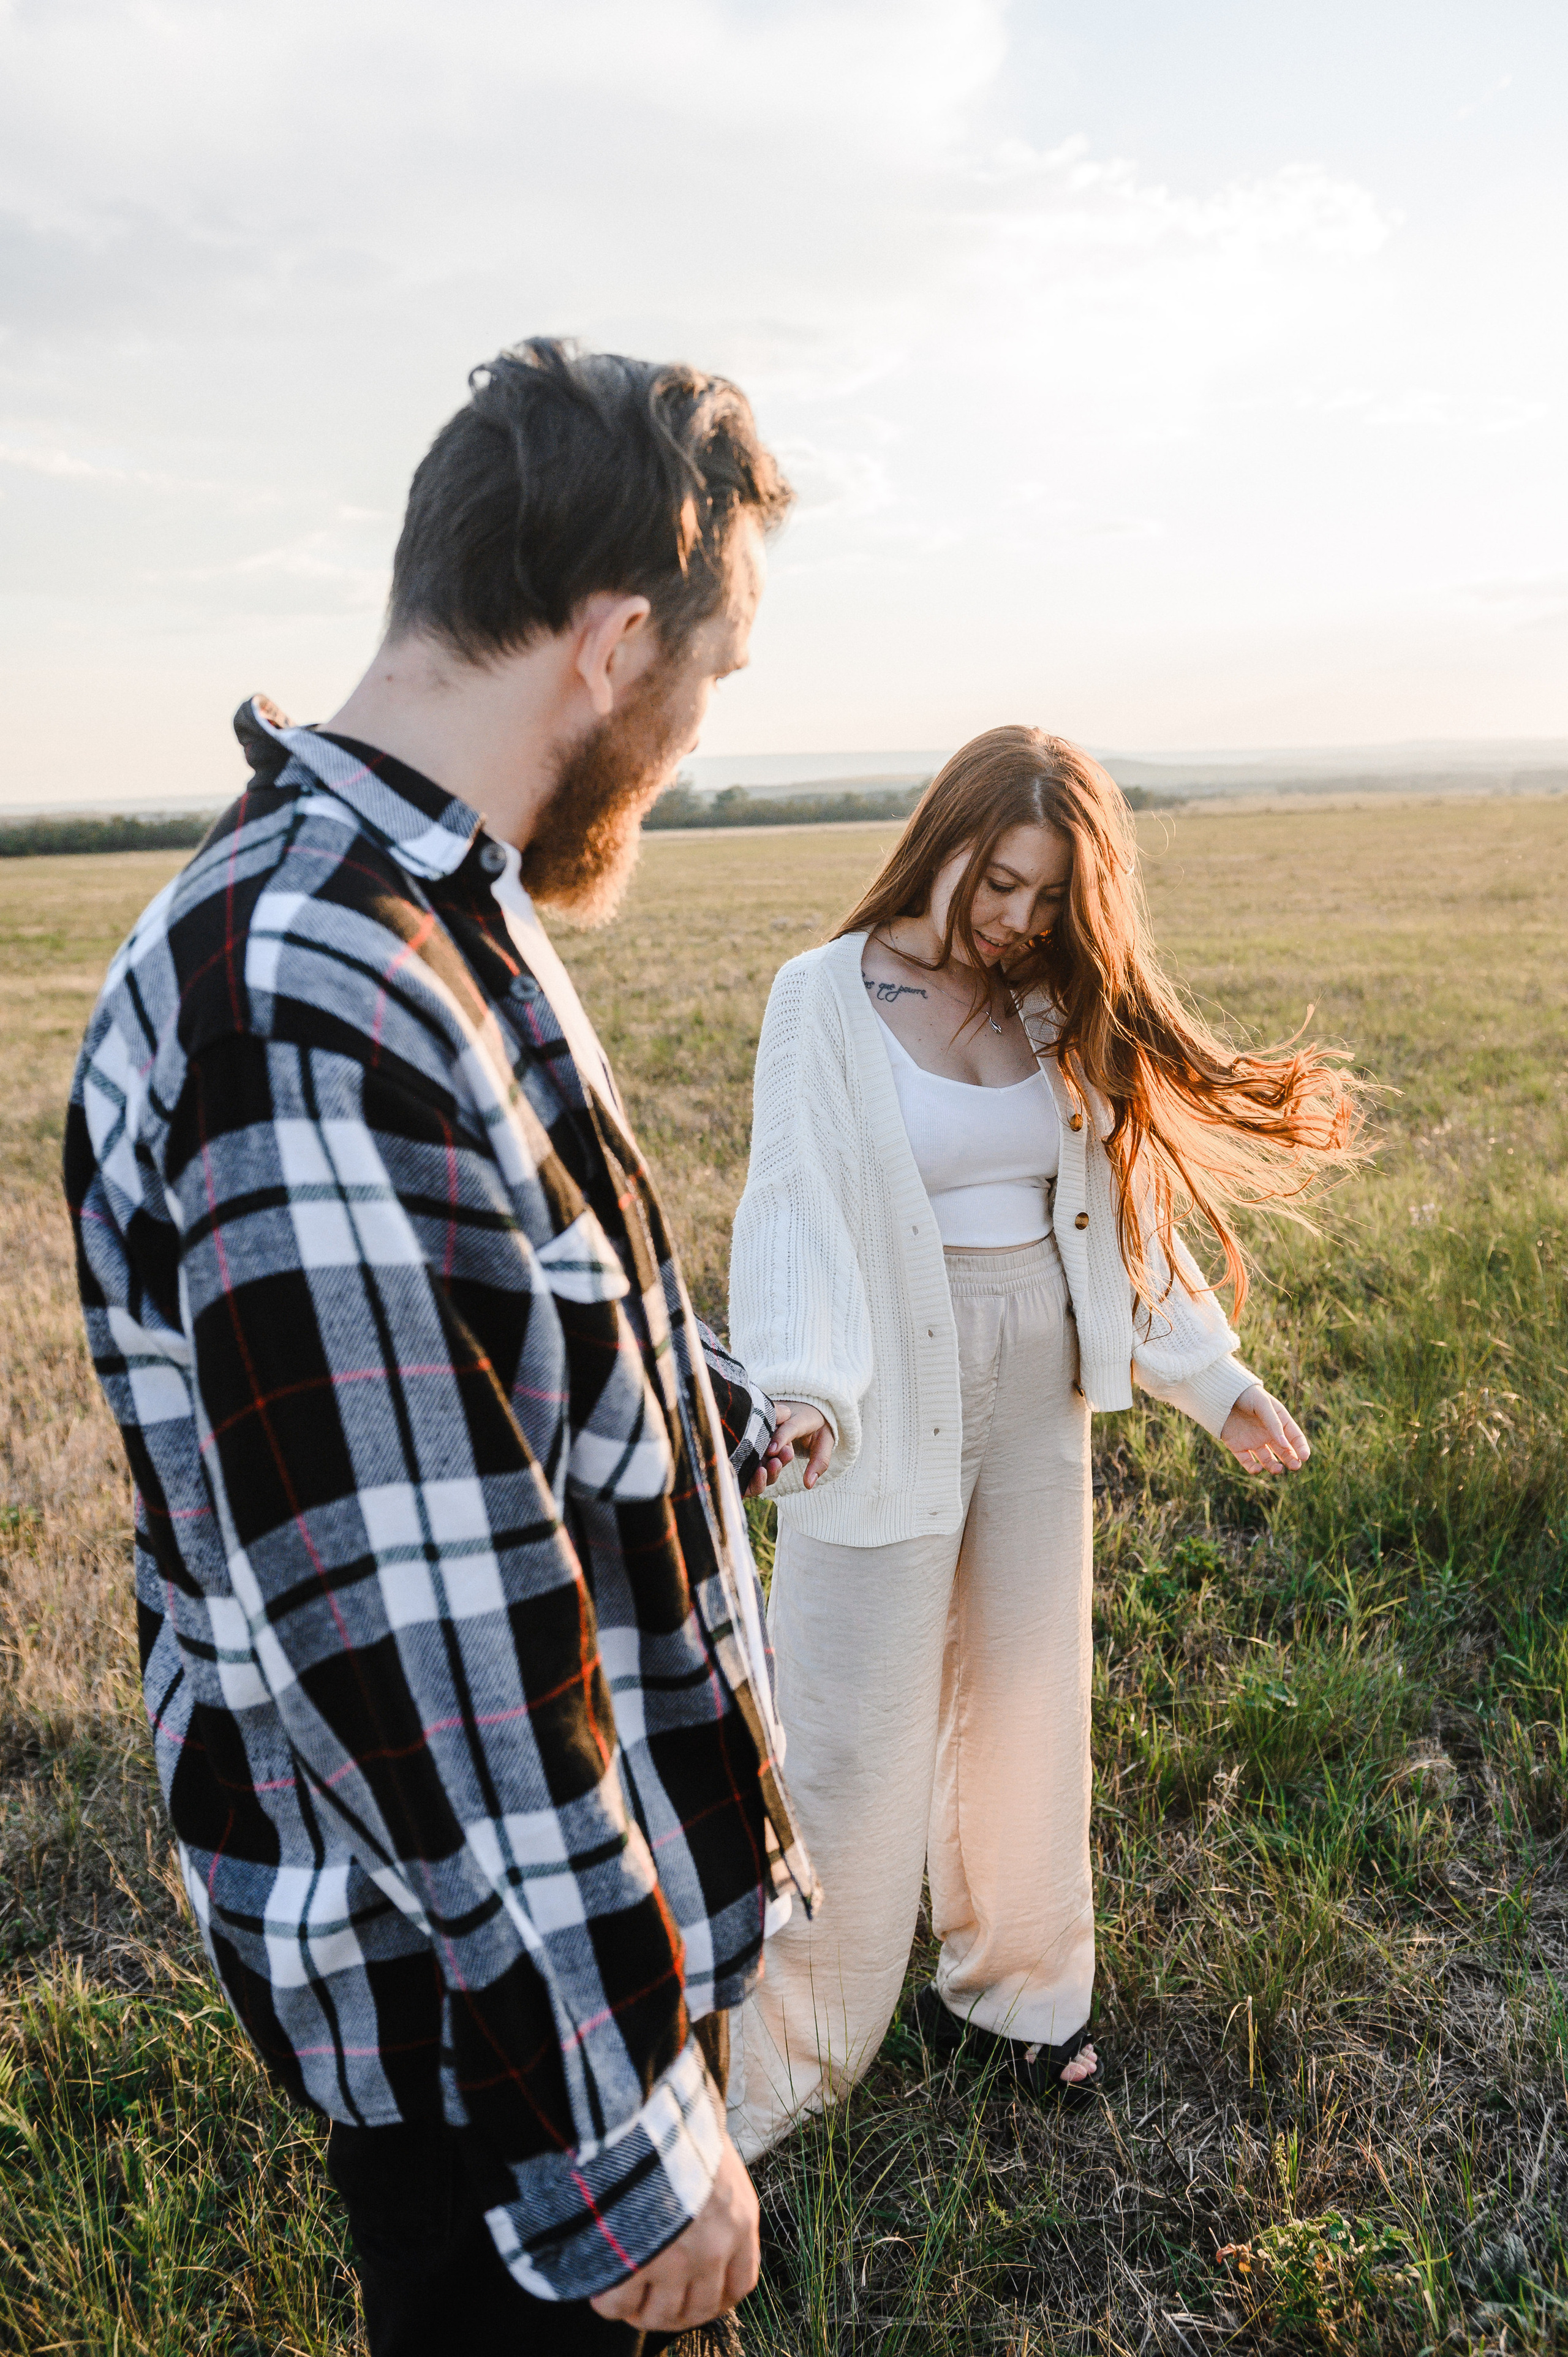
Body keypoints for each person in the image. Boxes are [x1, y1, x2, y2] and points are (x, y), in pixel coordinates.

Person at [64, 338, 819, 2357]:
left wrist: (712, 1413)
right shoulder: (302, 995)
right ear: (610, 642)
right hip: (505, 2057)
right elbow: (430, 1659)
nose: (693, 737)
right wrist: (624, 2135)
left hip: (537, 2006)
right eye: (710, 678)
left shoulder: (409, 900)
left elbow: (477, 1323)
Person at [725, 727, 1360, 2154]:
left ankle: (1014, 1999)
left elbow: (1119, 1204)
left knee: (1023, 1699)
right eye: (997, 881)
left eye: (1049, 898)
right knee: (850, 1727)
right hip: (880, 1379)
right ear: (939, 839)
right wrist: (803, 1388)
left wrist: (1209, 1377)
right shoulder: (822, 995)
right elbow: (794, 1205)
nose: (1015, 918)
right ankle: (790, 2053)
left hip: (1035, 1384)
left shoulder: (1049, 1005)